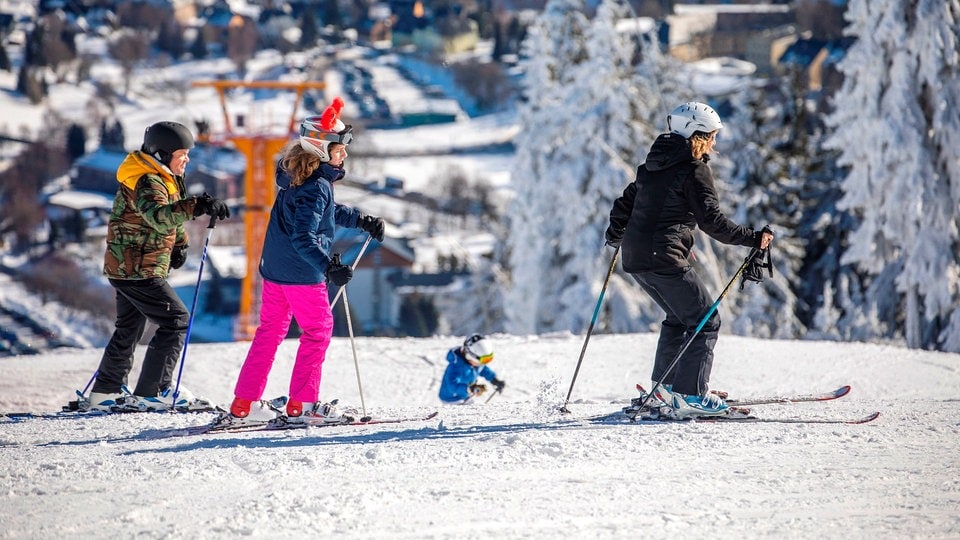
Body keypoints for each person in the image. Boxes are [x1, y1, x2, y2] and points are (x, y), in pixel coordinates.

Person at [604, 102, 774, 419]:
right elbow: (712, 222)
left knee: (680, 319)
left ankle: (664, 390)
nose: (714, 142)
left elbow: (625, 204)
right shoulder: (693, 171)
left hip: (637, 258)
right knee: (705, 321)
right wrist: (753, 238)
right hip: (663, 258)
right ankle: (690, 395)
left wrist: (617, 235)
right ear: (696, 135)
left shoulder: (651, 166)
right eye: (710, 135)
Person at [225, 97, 386, 424]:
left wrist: (361, 221)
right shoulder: (318, 186)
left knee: (270, 331)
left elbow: (321, 215)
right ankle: (304, 404)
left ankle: (245, 403)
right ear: (320, 148)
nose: (344, 154)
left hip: (275, 271)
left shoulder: (298, 177)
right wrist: (328, 266)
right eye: (339, 148)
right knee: (318, 330)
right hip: (302, 274)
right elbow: (305, 236)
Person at [86, 121, 231, 412]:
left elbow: (168, 218)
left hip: (130, 267)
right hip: (137, 269)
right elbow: (158, 215)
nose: (187, 160)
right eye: (182, 154)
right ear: (162, 154)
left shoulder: (162, 177)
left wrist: (179, 243)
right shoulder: (148, 181)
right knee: (176, 320)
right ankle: (153, 391)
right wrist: (198, 206)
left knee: (130, 326)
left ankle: (106, 392)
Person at [439, 334, 506, 404]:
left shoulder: (476, 363)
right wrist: (470, 389)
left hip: (465, 395)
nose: (484, 363)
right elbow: (452, 386)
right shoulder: (456, 367)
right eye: (484, 360)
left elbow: (483, 369)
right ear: (470, 356)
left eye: (489, 359)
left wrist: (494, 380)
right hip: (451, 398)